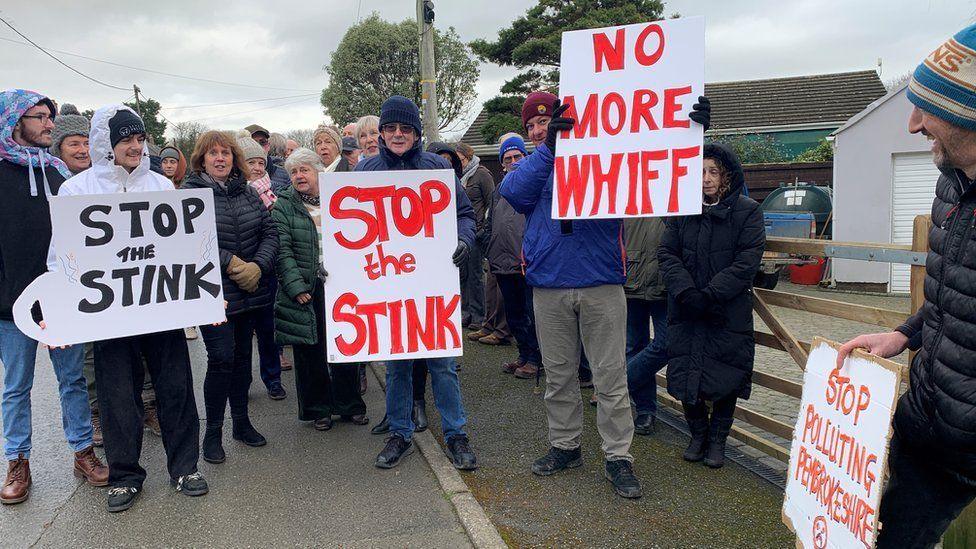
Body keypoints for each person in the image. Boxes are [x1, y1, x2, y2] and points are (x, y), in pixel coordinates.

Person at [500, 90, 709, 498]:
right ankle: (565, 446)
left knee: (610, 377)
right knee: (558, 377)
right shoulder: (533, 166)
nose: (540, 129)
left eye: (546, 121)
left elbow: (660, 166)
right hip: (549, 285)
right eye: (532, 125)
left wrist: (692, 132)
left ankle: (619, 457)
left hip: (600, 281)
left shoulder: (607, 159)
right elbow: (513, 193)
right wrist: (551, 152)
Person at [836, 24, 976, 548]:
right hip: (927, 429)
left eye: (926, 107)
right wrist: (904, 335)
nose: (913, 123)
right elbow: (953, 293)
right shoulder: (950, 184)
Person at [54, 104, 205, 512]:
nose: (136, 146)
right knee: (118, 396)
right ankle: (125, 475)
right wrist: (61, 315)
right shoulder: (77, 191)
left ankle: (185, 467)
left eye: (140, 138)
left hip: (160, 309)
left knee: (175, 388)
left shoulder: (160, 184)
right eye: (126, 139)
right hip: (110, 317)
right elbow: (61, 257)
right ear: (108, 142)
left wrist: (201, 297)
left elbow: (185, 249)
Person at [355, 95, 478, 471]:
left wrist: (463, 241)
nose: (396, 134)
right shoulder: (365, 172)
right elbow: (348, 231)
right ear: (381, 133)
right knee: (397, 367)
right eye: (390, 128)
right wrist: (336, 267)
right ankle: (400, 432)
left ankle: (456, 433)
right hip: (390, 286)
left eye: (404, 128)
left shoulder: (437, 168)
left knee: (442, 364)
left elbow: (465, 215)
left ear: (416, 132)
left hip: (431, 285)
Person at [0, 89, 107, 506]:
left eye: (50, 116)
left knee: (72, 380)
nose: (49, 123)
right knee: (15, 386)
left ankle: (83, 452)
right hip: (11, 306)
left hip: (64, 303)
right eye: (40, 117)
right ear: (13, 120)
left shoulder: (62, 175)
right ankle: (17, 461)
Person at [658, 143, 764, 469]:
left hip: (725, 310)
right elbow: (667, 254)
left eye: (713, 171)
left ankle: (718, 440)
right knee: (687, 370)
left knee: (726, 373)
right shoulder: (681, 210)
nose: (705, 179)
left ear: (727, 176)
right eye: (700, 171)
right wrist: (688, 293)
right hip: (687, 307)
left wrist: (711, 294)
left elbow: (747, 261)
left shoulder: (747, 211)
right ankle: (697, 434)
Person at [183, 131, 279, 464]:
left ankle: (241, 422)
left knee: (241, 361)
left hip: (251, 289)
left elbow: (270, 232)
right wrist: (230, 262)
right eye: (213, 154)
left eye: (225, 152)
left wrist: (258, 266)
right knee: (221, 359)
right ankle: (212, 433)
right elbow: (188, 240)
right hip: (214, 292)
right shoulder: (189, 195)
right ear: (202, 159)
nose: (220, 158)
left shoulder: (249, 193)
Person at [271, 147, 367, 430]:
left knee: (346, 346)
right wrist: (297, 286)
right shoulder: (284, 205)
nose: (299, 176)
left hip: (342, 285)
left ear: (319, 172)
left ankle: (350, 405)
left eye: (305, 170)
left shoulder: (340, 198)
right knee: (309, 352)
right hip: (306, 289)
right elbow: (282, 251)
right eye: (294, 172)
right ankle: (318, 410)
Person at [488, 134, 542, 379]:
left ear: (525, 156)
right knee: (514, 315)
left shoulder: (533, 182)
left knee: (532, 315)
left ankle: (535, 359)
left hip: (525, 263)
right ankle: (523, 354)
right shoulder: (498, 190)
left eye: (517, 156)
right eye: (507, 158)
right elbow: (490, 223)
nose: (512, 161)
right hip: (501, 263)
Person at [237, 136, 286, 401]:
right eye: (250, 162)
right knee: (242, 336)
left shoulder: (272, 192)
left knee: (268, 330)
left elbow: (274, 232)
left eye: (260, 162)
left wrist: (262, 262)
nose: (256, 167)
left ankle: (273, 379)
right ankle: (243, 383)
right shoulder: (233, 192)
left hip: (266, 270)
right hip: (237, 273)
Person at [622, 214, 668, 435]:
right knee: (633, 346)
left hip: (667, 280)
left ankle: (618, 386)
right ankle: (645, 410)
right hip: (632, 273)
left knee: (667, 344)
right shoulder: (630, 185)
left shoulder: (680, 185)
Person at [451, 142, 494, 330]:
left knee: (476, 275)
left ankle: (479, 315)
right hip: (461, 234)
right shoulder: (457, 177)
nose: (459, 164)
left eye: (461, 160)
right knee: (462, 274)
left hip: (476, 232)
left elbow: (492, 201)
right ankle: (466, 311)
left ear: (468, 157)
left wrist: (484, 228)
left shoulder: (481, 174)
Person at [246, 124, 290, 193]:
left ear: (268, 146)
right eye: (252, 142)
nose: (258, 146)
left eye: (263, 142)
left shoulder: (285, 174)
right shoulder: (231, 176)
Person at [50, 104, 90, 175]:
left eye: (87, 143)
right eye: (74, 144)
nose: (83, 151)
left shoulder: (104, 177)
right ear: (57, 149)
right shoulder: (46, 180)